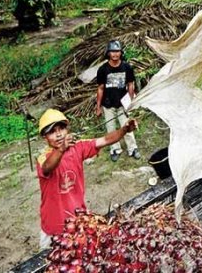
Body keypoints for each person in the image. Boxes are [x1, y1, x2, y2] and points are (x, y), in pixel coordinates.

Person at [36, 108, 138, 249]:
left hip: (78, 220)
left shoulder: (78, 148)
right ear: (44, 137)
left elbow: (105, 140)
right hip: (53, 226)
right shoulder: (43, 158)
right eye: (52, 132)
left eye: (61, 129)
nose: (59, 134)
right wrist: (61, 149)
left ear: (67, 129)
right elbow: (47, 167)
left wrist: (124, 130)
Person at [95, 40, 140, 161]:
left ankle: (133, 148)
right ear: (108, 53)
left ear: (121, 52)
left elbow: (130, 84)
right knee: (111, 129)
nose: (115, 54)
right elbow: (100, 89)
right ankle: (115, 149)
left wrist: (130, 102)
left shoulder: (127, 67)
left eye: (117, 51)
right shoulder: (103, 70)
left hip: (122, 104)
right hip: (108, 104)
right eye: (112, 51)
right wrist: (98, 107)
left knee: (127, 126)